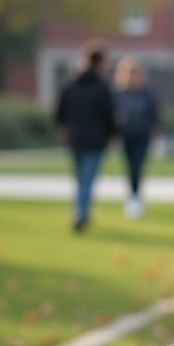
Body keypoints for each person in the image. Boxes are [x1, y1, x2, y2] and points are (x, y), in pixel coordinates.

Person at [55, 43, 115, 232]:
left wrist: (64, 127)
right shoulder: (102, 87)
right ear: (99, 63)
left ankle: (81, 210)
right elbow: (109, 114)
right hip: (95, 139)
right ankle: (81, 212)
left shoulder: (71, 84)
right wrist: (113, 133)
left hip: (76, 137)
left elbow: (60, 110)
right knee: (87, 178)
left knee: (81, 178)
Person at [112, 58, 160, 218]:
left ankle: (135, 197)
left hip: (142, 134)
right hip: (126, 135)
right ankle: (132, 196)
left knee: (137, 165)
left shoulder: (147, 93)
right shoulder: (119, 93)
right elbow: (112, 114)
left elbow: (154, 114)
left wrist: (154, 128)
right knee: (129, 166)